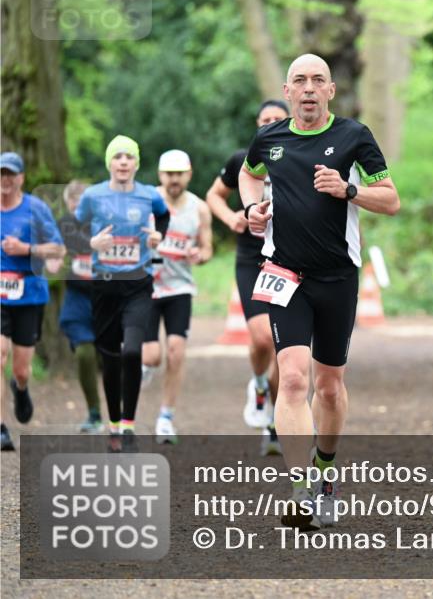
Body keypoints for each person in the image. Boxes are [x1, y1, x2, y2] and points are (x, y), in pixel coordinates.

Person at [240, 54, 399, 528]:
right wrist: (252, 209)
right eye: (300, 81)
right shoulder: (269, 139)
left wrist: (348, 191)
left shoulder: (354, 137)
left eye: (318, 80)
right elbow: (249, 174)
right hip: (285, 274)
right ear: (287, 92)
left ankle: (326, 474)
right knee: (292, 379)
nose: (308, 88)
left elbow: (391, 199)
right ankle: (299, 489)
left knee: (328, 388)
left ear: (330, 90)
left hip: (337, 277)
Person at [76, 136, 169, 452]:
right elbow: (73, 231)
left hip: (138, 285)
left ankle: (128, 425)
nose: (124, 162)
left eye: (129, 156)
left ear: (137, 163)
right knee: (110, 357)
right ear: (110, 163)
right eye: (118, 156)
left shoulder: (149, 195)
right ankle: (114, 425)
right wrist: (91, 243)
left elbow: (163, 216)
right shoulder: (92, 195)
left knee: (131, 351)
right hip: (104, 286)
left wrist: (159, 236)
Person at [206, 100, 288, 455]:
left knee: (286, 347)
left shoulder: (299, 159)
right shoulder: (243, 160)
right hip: (252, 260)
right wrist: (231, 218)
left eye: (277, 119)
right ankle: (258, 384)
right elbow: (214, 195)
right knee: (263, 339)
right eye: (265, 119)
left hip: (288, 259)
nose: (270, 123)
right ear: (257, 124)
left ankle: (275, 424)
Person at [141, 150, 212, 444]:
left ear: (188, 175)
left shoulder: (200, 209)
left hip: (179, 289)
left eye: (179, 174)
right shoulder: (146, 202)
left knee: (176, 351)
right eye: (169, 174)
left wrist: (199, 254)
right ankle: (142, 366)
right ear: (160, 175)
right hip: (147, 287)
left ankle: (166, 417)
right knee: (152, 356)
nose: (174, 180)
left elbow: (207, 249)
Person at [0, 152, 66, 451]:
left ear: (21, 178)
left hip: (28, 294)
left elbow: (57, 249)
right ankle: (1, 428)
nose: (5, 180)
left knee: (21, 369)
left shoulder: (35, 209)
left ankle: (21, 387)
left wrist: (25, 248)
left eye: (11, 174)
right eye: (1, 173)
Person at [51, 180, 103, 433]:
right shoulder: (63, 226)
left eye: (81, 203)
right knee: (84, 353)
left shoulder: (106, 223)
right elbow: (54, 256)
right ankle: (94, 413)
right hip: (78, 299)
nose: (77, 209)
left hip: (107, 299)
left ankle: (123, 414)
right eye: (72, 205)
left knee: (117, 356)